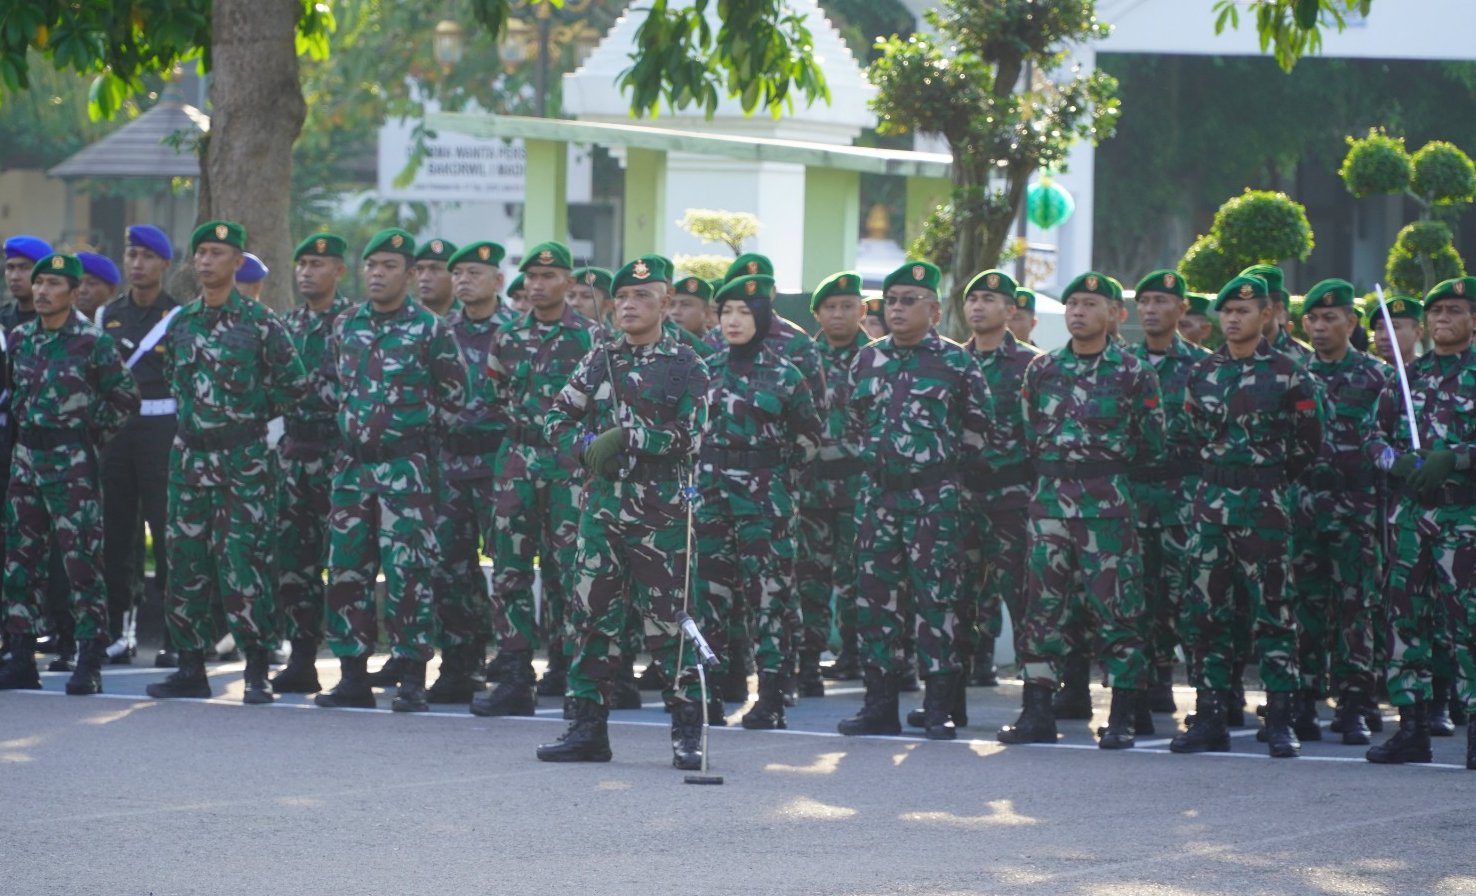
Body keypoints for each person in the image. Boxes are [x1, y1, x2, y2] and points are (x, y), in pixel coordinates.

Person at [537, 255, 710, 768]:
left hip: (663, 514)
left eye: (642, 296)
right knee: (592, 619)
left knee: (671, 624)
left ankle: (687, 731)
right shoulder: (599, 359)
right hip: (603, 509)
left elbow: (691, 435)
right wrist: (585, 447)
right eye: (622, 298)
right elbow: (556, 417)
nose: (629, 306)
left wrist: (629, 436)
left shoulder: (687, 364)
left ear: (666, 302)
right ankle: (586, 728)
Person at [998, 271, 1163, 750]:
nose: (1078, 312)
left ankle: (1123, 714)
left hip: (1105, 507)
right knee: (1041, 609)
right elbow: (1029, 432)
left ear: (1114, 314)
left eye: (1090, 304)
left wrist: (1101, 472)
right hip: (1049, 504)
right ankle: (1037, 710)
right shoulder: (1043, 369)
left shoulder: (1133, 373)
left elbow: (1151, 442)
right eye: (1073, 304)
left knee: (1117, 610)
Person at [145, 221, 307, 704]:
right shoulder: (181, 322)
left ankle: (256, 666)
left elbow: (292, 385)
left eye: (217, 253)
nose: (206, 261)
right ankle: (190, 665)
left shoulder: (260, 323)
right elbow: (174, 377)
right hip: (190, 457)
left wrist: (248, 419)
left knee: (245, 561)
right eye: (201, 253)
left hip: (244, 461)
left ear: (238, 263)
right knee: (185, 561)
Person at [312, 228, 467, 712]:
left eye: (389, 266)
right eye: (372, 265)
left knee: (408, 573)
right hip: (352, 470)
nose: (377, 274)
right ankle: (352, 676)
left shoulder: (430, 329)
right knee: (346, 570)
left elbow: (455, 396)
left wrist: (413, 439)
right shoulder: (345, 325)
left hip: (406, 471)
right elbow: (336, 388)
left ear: (410, 274)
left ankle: (412, 676)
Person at [837, 260, 993, 741]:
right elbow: (853, 423)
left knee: (937, 600)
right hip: (878, 497)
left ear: (935, 311)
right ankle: (879, 705)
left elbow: (979, 429)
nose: (898, 308)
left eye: (910, 301)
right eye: (891, 301)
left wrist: (939, 471)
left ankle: (939, 706)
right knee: (875, 601)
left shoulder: (956, 363)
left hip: (933, 498)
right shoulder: (867, 360)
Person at [1171, 273, 1323, 758]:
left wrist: (1267, 477)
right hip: (1211, 505)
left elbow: (1309, 441)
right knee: (1207, 614)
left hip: (1264, 506)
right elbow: (1192, 434)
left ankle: (1280, 719)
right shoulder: (1203, 371)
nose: (1233, 319)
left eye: (1244, 311)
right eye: (1228, 312)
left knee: (1274, 612)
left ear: (1267, 315)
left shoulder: (1289, 372)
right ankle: (1210, 716)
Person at [0, 253, 139, 693]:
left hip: (72, 462)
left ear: (75, 293)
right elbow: (15, 393)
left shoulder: (93, 342)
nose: (41, 291)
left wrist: (90, 434)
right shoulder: (21, 338)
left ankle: (89, 659)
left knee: (81, 562)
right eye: (39, 282)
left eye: (54, 284)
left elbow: (124, 397)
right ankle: (21, 655)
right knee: (19, 560)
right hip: (27, 459)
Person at [694, 273, 822, 730]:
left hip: (765, 501)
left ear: (763, 318)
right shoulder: (705, 369)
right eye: (726, 312)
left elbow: (809, 438)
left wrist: (773, 475)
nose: (733, 321)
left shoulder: (785, 373)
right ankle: (707, 693)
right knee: (708, 596)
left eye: (744, 312)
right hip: (709, 497)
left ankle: (770, 695)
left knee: (770, 596)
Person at [474, 241, 594, 716]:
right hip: (518, 464)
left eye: (549, 276)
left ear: (568, 282)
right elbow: (495, 392)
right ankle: (515, 676)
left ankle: (573, 674)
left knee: (572, 572)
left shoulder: (591, 338)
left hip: (569, 466)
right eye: (532, 277)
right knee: (510, 571)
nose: (539, 285)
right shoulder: (507, 336)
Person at [1364, 277, 1476, 769]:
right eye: (1436, 312)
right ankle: (1412, 727)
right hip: (1412, 517)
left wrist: (1457, 457)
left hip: (1465, 515)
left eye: (1454, 310)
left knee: (1468, 622)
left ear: (1473, 320)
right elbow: (1372, 438)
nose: (1443, 319)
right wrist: (1398, 463)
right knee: (1405, 620)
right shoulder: (1408, 378)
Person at [1293, 279, 1387, 745]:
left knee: (1356, 609)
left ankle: (1354, 702)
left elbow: (1392, 441)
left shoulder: (1377, 376)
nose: (1320, 326)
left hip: (1357, 511)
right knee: (1304, 608)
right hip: (1305, 510)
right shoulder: (1294, 375)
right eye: (1313, 318)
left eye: (1330, 318)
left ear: (1351, 323)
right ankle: (1304, 699)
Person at [425, 240, 512, 704]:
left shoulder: (515, 331)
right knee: (450, 568)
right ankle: (461, 664)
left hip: (500, 465)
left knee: (510, 567)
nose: (463, 281)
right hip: (451, 467)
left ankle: (516, 666)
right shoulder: (439, 331)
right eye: (457, 273)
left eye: (474, 273)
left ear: (497, 280)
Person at [950, 270, 1042, 701]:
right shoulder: (951, 361)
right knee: (957, 597)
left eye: (989, 299)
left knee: (1024, 597)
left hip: (1013, 500)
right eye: (973, 299)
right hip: (962, 499)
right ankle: (951, 698)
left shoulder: (1033, 365)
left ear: (1010, 310)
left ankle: (1038, 696)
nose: (978, 307)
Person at [268, 232, 352, 694]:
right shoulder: (286, 325)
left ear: (339, 271)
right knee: (294, 562)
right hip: (295, 454)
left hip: (340, 455)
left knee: (346, 563)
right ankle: (301, 659)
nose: (306, 272)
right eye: (301, 264)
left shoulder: (354, 323)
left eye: (317, 264)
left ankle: (351, 664)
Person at [96, 224, 180, 668]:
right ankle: (117, 631)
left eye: (147, 256)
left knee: (167, 534)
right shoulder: (106, 315)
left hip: (162, 430)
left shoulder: (178, 316)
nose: (137, 264)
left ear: (165, 263)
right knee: (115, 533)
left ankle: (173, 635)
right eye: (132, 255)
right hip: (118, 432)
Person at [1128, 270, 1209, 718]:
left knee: (1189, 599)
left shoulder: (1205, 366)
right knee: (1139, 598)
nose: (1151, 309)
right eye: (1145, 301)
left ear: (1181, 309)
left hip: (1185, 499)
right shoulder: (1123, 364)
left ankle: (1208, 692)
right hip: (1135, 497)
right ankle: (1149, 685)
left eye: (1161, 301)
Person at [799, 273, 869, 684]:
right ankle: (808, 658)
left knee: (857, 576)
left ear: (863, 310)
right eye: (830, 307)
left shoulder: (877, 359)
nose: (839, 314)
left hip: (861, 489)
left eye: (847, 306)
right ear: (817, 314)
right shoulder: (803, 359)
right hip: (812, 488)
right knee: (810, 576)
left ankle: (854, 654)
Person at [1371, 294, 1423, 365]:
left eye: (1394, 327)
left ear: (1418, 333)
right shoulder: (1367, 370)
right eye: (1379, 328)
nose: (1384, 336)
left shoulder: (1433, 370)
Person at [414, 238, 458, 317]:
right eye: (419, 269)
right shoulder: (399, 319)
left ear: (455, 275)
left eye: (434, 269)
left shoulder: (471, 317)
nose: (424, 278)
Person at [569, 266, 613, 336]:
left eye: (586, 296)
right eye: (570, 296)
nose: (575, 303)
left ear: (608, 304)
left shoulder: (616, 340)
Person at [76, 252, 121, 319]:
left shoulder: (124, 321)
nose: (82, 290)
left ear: (111, 290)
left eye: (91, 283)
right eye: (77, 283)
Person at [669, 275, 713, 340]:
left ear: (707, 313)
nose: (675, 311)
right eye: (671, 304)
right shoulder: (661, 343)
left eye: (685, 304)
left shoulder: (716, 345)